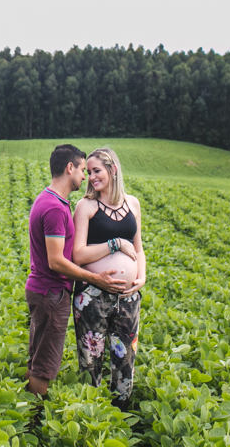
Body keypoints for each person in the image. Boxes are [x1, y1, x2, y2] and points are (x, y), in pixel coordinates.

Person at [26, 143, 128, 396]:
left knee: (40, 357)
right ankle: (36, 423)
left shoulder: (52, 201)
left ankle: (30, 415)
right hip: (51, 293)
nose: (86, 177)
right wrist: (97, 279)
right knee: (44, 366)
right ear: (69, 168)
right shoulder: (53, 207)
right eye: (83, 170)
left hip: (47, 292)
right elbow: (56, 261)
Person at [71, 147, 145, 409]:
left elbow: (138, 249)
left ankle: (120, 419)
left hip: (127, 298)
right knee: (91, 361)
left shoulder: (132, 203)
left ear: (113, 169)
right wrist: (115, 244)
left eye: (96, 171)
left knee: (125, 360)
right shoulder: (86, 206)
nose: (91, 177)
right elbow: (77, 255)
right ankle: (92, 418)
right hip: (93, 295)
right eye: (88, 172)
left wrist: (142, 276)